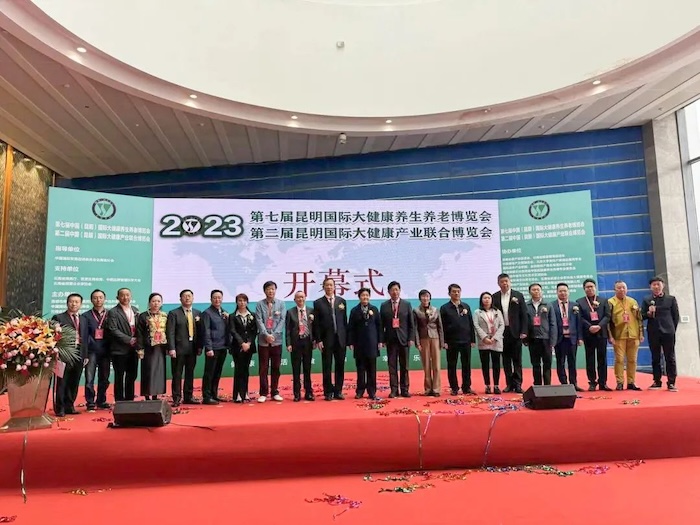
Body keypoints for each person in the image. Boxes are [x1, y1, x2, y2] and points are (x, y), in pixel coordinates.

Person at [52, 293, 88, 416]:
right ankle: (60, 408)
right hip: (65, 354)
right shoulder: (58, 317)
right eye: (71, 301)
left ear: (81, 304)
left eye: (77, 302)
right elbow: (54, 336)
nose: (74, 304)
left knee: (74, 381)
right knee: (62, 381)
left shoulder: (84, 319)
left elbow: (85, 338)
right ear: (67, 303)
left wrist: (85, 355)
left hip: (79, 354)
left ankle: (70, 406)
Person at [313, 277, 348, 401]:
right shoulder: (318, 303)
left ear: (334, 287)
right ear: (323, 287)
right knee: (327, 366)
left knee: (340, 366)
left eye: (331, 285)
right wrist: (318, 340)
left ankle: (338, 391)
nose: (329, 287)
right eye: (326, 285)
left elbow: (344, 322)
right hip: (326, 340)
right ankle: (328, 392)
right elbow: (316, 324)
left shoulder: (342, 301)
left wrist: (346, 339)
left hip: (340, 339)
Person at [492, 274, 528, 393]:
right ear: (498, 283)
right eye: (502, 282)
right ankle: (509, 384)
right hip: (502, 333)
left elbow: (524, 314)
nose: (504, 284)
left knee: (517, 360)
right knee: (506, 360)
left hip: (516, 332)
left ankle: (518, 384)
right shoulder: (495, 297)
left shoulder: (518, 295)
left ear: (510, 282)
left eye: (506, 281)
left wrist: (524, 331)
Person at [642, 276, 680, 391]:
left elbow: (675, 316)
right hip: (653, 332)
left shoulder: (670, 299)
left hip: (668, 332)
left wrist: (672, 329)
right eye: (654, 285)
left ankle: (671, 382)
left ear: (663, 285)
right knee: (655, 357)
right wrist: (648, 313)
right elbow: (642, 316)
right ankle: (657, 381)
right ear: (650, 287)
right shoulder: (647, 300)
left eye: (658, 284)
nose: (656, 287)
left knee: (670, 357)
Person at [166, 289, 202, 407]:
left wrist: (199, 346)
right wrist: (171, 348)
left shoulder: (197, 313)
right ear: (180, 299)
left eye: (189, 296)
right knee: (177, 374)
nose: (187, 298)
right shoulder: (174, 313)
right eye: (185, 296)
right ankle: (176, 398)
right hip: (178, 349)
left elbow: (200, 332)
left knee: (190, 373)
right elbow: (170, 332)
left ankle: (188, 397)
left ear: (193, 298)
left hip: (192, 348)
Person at [439, 284, 476, 396]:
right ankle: (454, 388)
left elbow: (471, 323)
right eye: (454, 291)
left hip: (466, 340)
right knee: (452, 365)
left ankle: (466, 387)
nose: (456, 293)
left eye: (458, 291)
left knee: (466, 365)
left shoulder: (466, 306)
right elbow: (442, 326)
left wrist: (473, 339)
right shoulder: (444, 308)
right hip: (451, 341)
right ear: (449, 293)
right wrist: (444, 341)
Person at [379, 281, 414, 398]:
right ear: (389, 292)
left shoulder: (407, 304)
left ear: (399, 291)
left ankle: (405, 389)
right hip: (390, 340)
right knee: (392, 366)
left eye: (397, 289)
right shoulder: (384, 306)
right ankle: (394, 390)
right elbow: (381, 325)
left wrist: (411, 338)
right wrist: (382, 340)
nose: (395, 292)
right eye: (392, 290)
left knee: (405, 366)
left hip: (404, 339)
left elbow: (411, 324)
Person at [576, 279, 612, 391]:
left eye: (591, 286)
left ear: (595, 288)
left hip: (601, 333)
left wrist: (599, 326)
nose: (589, 289)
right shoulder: (579, 302)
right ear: (584, 289)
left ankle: (603, 383)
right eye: (587, 287)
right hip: (588, 334)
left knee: (602, 359)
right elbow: (580, 318)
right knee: (590, 359)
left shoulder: (604, 300)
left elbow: (607, 316)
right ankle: (592, 382)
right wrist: (589, 327)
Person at [607, 281, 644, 391]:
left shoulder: (633, 301)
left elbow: (639, 318)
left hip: (633, 335)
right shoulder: (610, 302)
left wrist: (641, 333)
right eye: (619, 288)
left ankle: (631, 382)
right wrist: (610, 336)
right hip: (618, 335)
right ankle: (620, 382)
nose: (622, 290)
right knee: (619, 360)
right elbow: (608, 322)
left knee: (632, 360)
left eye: (623, 287)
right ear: (614, 290)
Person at [106, 288, 139, 402]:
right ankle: (119, 400)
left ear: (131, 296)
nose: (125, 297)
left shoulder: (135, 310)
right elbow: (113, 329)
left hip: (133, 349)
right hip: (119, 349)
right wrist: (129, 339)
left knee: (132, 375)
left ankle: (129, 399)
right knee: (119, 376)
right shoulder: (113, 312)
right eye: (122, 295)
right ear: (118, 297)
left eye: (127, 295)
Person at [348, 287, 382, 400]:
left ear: (369, 297)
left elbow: (379, 326)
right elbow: (351, 328)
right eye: (363, 295)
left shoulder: (374, 309)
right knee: (360, 369)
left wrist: (380, 341)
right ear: (359, 297)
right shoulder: (354, 310)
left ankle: (372, 392)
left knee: (372, 370)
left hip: (372, 343)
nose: (365, 297)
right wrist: (350, 342)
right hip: (359, 344)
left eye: (367, 295)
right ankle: (360, 391)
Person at [255, 281, 286, 403]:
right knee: (263, 368)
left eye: (273, 289)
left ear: (275, 290)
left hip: (276, 341)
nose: (271, 291)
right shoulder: (259, 304)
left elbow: (282, 320)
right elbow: (259, 320)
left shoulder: (281, 304)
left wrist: (273, 335)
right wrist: (266, 334)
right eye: (268, 289)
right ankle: (263, 393)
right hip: (263, 341)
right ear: (265, 291)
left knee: (276, 367)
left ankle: (275, 392)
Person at [81, 289, 111, 411]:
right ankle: (90, 402)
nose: (98, 300)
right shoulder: (85, 316)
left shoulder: (110, 314)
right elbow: (83, 335)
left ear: (104, 299)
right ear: (91, 300)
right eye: (95, 298)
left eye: (100, 297)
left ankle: (101, 400)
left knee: (104, 378)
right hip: (91, 351)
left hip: (106, 350)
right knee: (89, 378)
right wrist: (85, 352)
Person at [551, 283, 584, 391]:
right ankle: (564, 383)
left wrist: (580, 338)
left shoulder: (575, 305)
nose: (563, 293)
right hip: (559, 339)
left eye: (565, 291)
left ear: (568, 292)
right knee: (560, 362)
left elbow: (579, 323)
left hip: (572, 338)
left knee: (572, 362)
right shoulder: (552, 305)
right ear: (557, 292)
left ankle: (573, 384)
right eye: (560, 291)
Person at [136, 293, 167, 400]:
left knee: (159, 372)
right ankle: (147, 395)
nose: (156, 303)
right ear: (149, 303)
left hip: (160, 348)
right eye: (153, 301)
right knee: (148, 371)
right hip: (148, 348)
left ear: (161, 303)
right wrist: (140, 348)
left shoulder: (164, 315)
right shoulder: (143, 316)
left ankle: (155, 395)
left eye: (158, 301)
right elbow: (139, 333)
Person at [413, 289, 444, 397]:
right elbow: (415, 328)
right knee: (426, 365)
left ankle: (436, 389)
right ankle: (428, 388)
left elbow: (440, 327)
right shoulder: (416, 311)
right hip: (423, 339)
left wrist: (442, 342)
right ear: (420, 298)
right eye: (423, 296)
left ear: (430, 298)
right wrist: (417, 343)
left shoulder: (435, 310)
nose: (425, 298)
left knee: (436, 365)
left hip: (435, 338)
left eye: (427, 296)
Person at [285, 291, 315, 402]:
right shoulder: (290, 312)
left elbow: (315, 328)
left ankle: (309, 392)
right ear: (294, 300)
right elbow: (288, 329)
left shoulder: (311, 311)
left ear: (305, 298)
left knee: (307, 369)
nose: (300, 299)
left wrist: (315, 340)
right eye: (298, 297)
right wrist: (288, 343)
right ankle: (297, 393)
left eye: (302, 297)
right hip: (295, 343)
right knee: (296, 369)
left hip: (308, 343)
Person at [201, 290, 229, 405]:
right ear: (211, 299)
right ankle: (207, 396)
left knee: (217, 372)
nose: (217, 300)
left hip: (223, 347)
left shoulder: (224, 313)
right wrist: (209, 348)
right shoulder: (207, 313)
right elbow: (206, 332)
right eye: (215, 298)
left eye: (219, 297)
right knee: (209, 373)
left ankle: (214, 394)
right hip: (213, 348)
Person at [229, 293, 258, 403]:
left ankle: (245, 392)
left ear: (247, 302)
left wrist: (249, 343)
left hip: (249, 347)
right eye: (240, 301)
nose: (242, 303)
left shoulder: (252, 315)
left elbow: (254, 331)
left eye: (244, 301)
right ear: (236, 302)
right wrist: (242, 343)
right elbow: (233, 331)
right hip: (237, 347)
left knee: (246, 370)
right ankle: (237, 394)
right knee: (238, 370)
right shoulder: (233, 316)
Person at [474, 292, 505, 394]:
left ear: (492, 300)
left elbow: (502, 325)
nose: (487, 300)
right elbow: (476, 326)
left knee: (496, 364)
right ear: (481, 300)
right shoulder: (477, 312)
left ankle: (496, 386)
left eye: (488, 298)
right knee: (485, 364)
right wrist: (484, 337)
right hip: (484, 342)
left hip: (496, 341)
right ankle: (487, 385)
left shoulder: (497, 312)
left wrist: (495, 338)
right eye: (484, 298)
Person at [525, 283, 556, 386]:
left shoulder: (548, 305)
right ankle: (537, 385)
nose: (536, 291)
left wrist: (553, 340)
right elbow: (524, 323)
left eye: (538, 289)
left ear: (541, 291)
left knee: (547, 364)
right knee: (535, 364)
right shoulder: (526, 305)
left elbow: (553, 323)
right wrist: (525, 339)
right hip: (533, 339)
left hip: (546, 339)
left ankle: (547, 385)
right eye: (533, 289)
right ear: (530, 292)